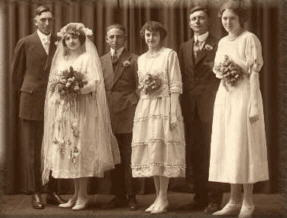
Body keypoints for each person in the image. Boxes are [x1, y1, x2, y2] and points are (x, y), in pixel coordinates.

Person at [41, 23, 120, 211]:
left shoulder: (87, 58)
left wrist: (77, 89)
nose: (71, 41)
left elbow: (95, 83)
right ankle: (75, 194)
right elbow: (54, 85)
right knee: (69, 153)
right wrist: (61, 90)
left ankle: (84, 195)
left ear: (81, 39)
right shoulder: (61, 60)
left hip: (83, 110)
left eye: (74, 37)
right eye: (67, 39)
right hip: (66, 112)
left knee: (80, 150)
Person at [208, 1, 269, 217]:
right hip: (226, 96)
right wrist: (225, 70)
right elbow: (217, 67)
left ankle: (248, 201)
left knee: (245, 144)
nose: (227, 22)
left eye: (231, 18)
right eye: (224, 18)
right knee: (229, 145)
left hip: (244, 94)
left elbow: (254, 72)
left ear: (240, 18)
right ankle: (233, 200)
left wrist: (253, 104)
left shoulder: (249, 38)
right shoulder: (223, 42)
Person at [10, 5, 65, 209]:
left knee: (53, 148)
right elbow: (16, 77)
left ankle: (51, 191)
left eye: (50, 19)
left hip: (54, 103)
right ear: (36, 21)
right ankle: (35, 192)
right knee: (32, 150)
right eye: (43, 20)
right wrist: (22, 100)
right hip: (31, 101)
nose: (47, 23)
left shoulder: (60, 43)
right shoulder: (25, 42)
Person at [131, 21, 185, 214]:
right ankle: (158, 196)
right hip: (146, 107)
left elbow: (175, 85)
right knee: (152, 153)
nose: (150, 38)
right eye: (147, 35)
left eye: (154, 34)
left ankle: (164, 197)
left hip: (165, 105)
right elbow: (141, 86)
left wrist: (172, 112)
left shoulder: (170, 55)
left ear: (161, 36)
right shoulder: (142, 59)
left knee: (163, 151)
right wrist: (145, 88)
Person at [178, 4, 222, 213]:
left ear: (208, 21)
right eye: (194, 18)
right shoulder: (184, 47)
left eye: (201, 18)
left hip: (211, 105)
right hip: (190, 107)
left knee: (212, 152)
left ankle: (215, 198)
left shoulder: (219, 44)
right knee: (195, 152)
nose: (197, 21)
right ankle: (199, 196)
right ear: (189, 23)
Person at [101, 24, 139, 210]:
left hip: (127, 112)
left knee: (128, 156)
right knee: (113, 157)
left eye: (119, 37)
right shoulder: (100, 60)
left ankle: (131, 196)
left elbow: (140, 86)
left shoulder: (134, 59)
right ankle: (118, 196)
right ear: (106, 39)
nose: (115, 40)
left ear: (125, 39)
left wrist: (131, 101)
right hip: (107, 113)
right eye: (112, 37)